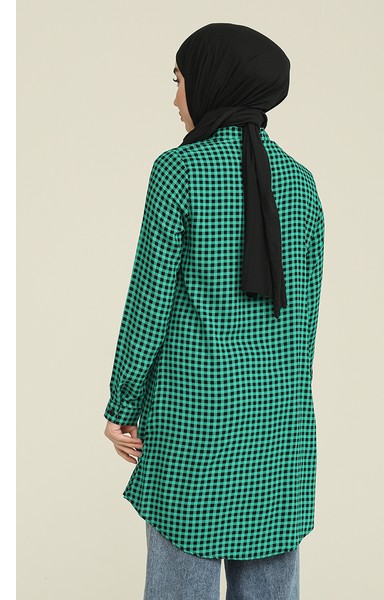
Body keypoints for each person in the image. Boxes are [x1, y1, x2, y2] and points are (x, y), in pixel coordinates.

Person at [103, 22, 325, 599]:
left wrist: (123, 404)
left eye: (178, 80)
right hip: (280, 428)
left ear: (211, 81)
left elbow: (148, 300)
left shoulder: (179, 171)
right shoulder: (302, 184)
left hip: (192, 423)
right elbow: (305, 323)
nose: (175, 98)